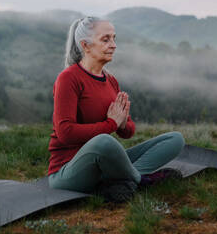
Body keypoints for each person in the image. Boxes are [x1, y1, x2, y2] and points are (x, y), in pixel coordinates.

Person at [48, 16, 185, 200]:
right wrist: (111, 124)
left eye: (114, 38)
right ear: (85, 46)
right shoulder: (68, 79)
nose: (113, 45)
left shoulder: (110, 81)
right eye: (105, 39)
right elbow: (65, 132)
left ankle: (122, 181)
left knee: (175, 139)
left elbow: (128, 132)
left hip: (102, 166)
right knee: (104, 141)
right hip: (67, 173)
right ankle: (141, 179)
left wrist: (122, 124)